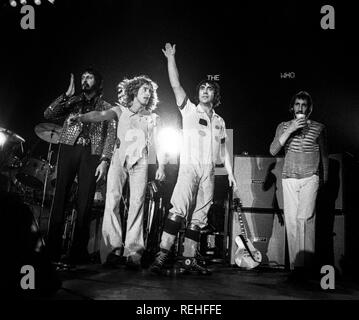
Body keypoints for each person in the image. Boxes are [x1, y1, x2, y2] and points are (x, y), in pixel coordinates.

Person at [150, 43, 236, 275]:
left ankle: (189, 258)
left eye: (210, 89)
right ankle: (162, 255)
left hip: (209, 172)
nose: (205, 91)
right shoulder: (188, 110)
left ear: (215, 95)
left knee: (199, 217)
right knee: (177, 211)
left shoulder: (220, 120)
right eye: (202, 88)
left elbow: (224, 148)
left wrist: (230, 172)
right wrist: (171, 58)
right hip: (189, 168)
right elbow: (176, 83)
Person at [69, 75, 166, 269]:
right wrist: (80, 117)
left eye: (150, 91)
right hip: (118, 160)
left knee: (137, 204)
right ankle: (111, 251)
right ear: (135, 91)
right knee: (112, 202)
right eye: (144, 89)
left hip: (140, 161)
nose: (148, 93)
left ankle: (133, 253)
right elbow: (99, 115)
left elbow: (159, 143)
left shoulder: (153, 118)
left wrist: (161, 166)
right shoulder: (119, 110)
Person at [44, 68, 116, 265]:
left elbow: (110, 136)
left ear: (99, 83)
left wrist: (105, 160)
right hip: (68, 149)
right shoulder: (72, 102)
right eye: (83, 77)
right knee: (60, 198)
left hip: (90, 154)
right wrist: (65, 96)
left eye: (90, 77)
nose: (85, 80)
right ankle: (52, 251)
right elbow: (49, 114)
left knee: (84, 204)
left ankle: (77, 253)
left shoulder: (106, 107)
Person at [269, 91, 328, 275]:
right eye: (297, 104)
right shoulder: (284, 126)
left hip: (311, 176)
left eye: (303, 105)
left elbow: (325, 156)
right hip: (289, 177)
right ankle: (296, 266)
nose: (300, 108)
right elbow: (273, 150)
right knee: (292, 222)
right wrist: (291, 128)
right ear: (292, 107)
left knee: (306, 219)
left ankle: (307, 265)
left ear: (309, 109)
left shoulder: (319, 127)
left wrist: (324, 180)